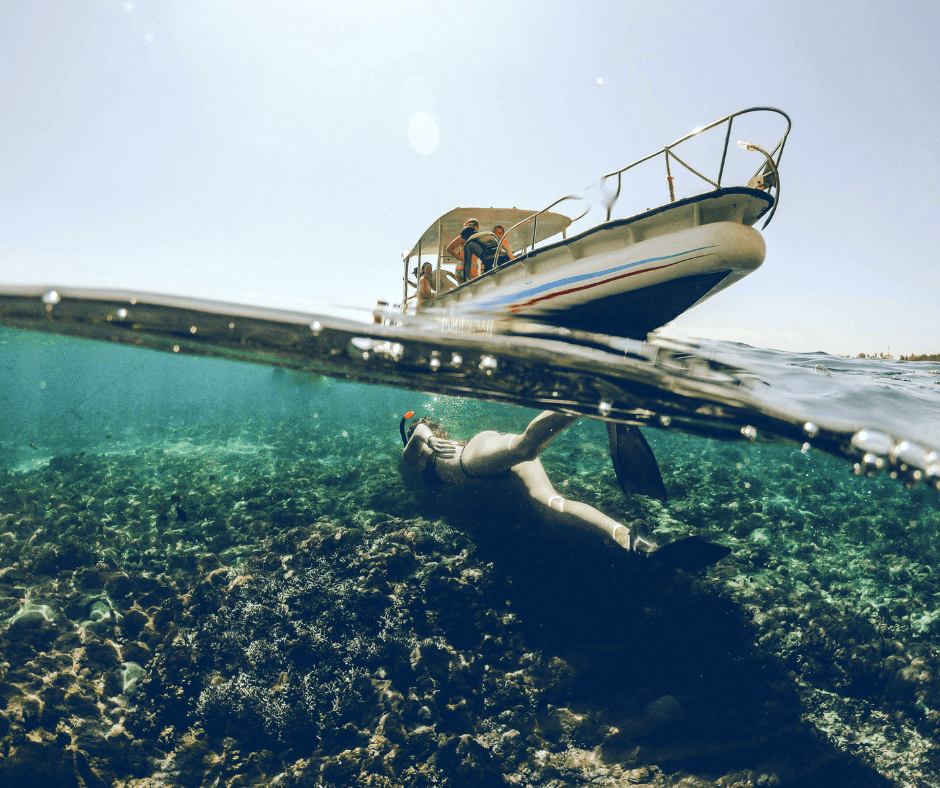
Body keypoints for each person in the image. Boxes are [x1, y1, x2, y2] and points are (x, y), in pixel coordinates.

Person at [400, 409, 660, 556]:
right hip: (492, 468)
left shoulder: (417, 454)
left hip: (470, 460)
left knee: (526, 447)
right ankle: (627, 537)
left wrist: (427, 437)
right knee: (551, 506)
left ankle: (584, 403)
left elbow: (419, 432)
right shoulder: (428, 451)